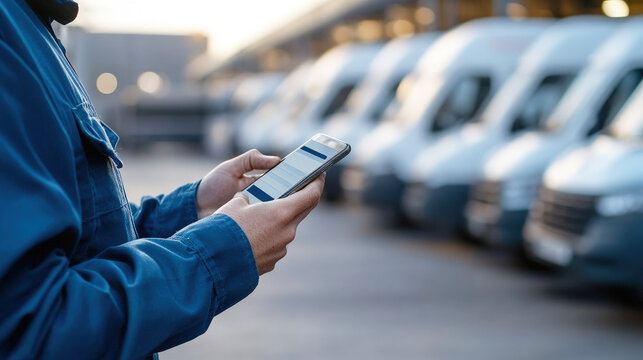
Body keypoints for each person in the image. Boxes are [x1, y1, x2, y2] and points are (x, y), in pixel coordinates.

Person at [0, 0, 325, 358]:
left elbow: (85, 243)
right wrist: (226, 248)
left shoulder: (30, 25)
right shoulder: (9, 34)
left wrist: (197, 205)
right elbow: (32, 329)